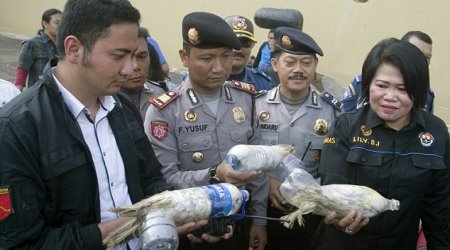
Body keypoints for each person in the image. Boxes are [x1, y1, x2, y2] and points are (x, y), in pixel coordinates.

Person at [0, 1, 206, 249]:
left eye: (135, 54)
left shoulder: (122, 107)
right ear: (74, 49)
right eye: (118, 56)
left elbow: (150, 178)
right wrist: (129, 226)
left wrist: (173, 214)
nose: (131, 68)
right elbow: (21, 243)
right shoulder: (17, 128)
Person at [144, 12, 268, 250]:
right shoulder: (164, 111)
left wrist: (259, 220)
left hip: (238, 224)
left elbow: (259, 168)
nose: (219, 68)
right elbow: (166, 179)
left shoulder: (247, 99)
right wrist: (215, 175)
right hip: (189, 229)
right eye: (207, 58)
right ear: (185, 57)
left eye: (226, 56)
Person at [314, 38, 450, 249]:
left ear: (419, 90)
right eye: (382, 85)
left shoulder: (436, 132)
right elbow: (334, 190)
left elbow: (439, 209)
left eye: (403, 89)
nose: (390, 97)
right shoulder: (346, 127)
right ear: (368, 85)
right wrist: (341, 218)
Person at [253, 26, 342, 250]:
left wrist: (310, 191)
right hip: (262, 210)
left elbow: (335, 166)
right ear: (275, 64)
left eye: (306, 62)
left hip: (309, 216)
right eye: (290, 62)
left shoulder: (332, 112)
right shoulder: (255, 106)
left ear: (315, 66)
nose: (298, 70)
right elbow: (245, 158)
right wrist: (268, 182)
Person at [341, 30, 435, 113]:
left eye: (427, 57)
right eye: (382, 86)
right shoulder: (362, 83)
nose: (422, 60)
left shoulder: (426, 92)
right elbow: (344, 117)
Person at [121, 27, 169, 120]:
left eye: (141, 56)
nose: (136, 66)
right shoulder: (99, 101)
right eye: (125, 58)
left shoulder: (160, 94)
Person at [14, 8, 62, 91]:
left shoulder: (63, 45)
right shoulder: (32, 43)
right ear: (45, 24)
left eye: (62, 23)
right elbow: (22, 70)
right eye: (57, 23)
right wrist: (17, 94)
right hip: (38, 93)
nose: (60, 26)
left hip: (57, 93)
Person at [225, 15, 271, 91]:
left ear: (252, 45)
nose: (238, 49)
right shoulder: (208, 80)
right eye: (232, 42)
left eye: (245, 43)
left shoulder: (263, 83)